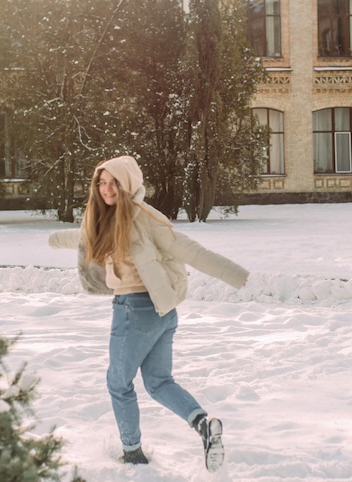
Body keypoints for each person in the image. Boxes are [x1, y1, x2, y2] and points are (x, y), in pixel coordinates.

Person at [48, 155, 249, 472]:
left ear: (127, 183)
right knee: (158, 382)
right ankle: (203, 424)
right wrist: (54, 239)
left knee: (118, 383)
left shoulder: (142, 218)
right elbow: (86, 236)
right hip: (162, 311)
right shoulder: (114, 219)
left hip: (134, 311)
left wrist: (234, 273)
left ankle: (132, 453)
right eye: (101, 182)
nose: (107, 189)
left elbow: (189, 249)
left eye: (113, 182)